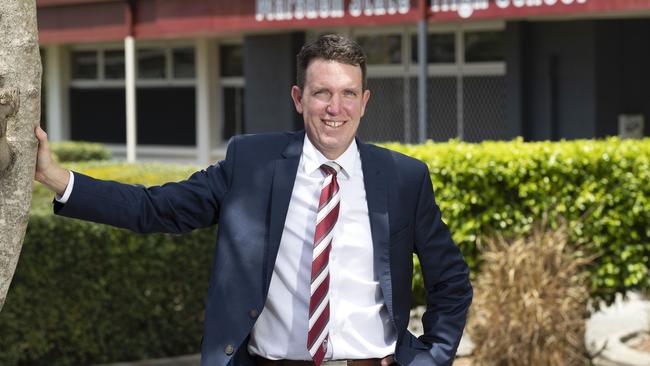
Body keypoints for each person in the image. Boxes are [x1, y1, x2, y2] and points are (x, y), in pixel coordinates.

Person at [34, 34, 472, 366]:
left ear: (364, 102)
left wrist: (430, 358)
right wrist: (56, 177)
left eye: (348, 94)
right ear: (299, 99)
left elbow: (451, 282)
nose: (334, 107)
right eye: (322, 93)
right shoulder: (252, 163)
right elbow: (156, 208)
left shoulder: (403, 178)